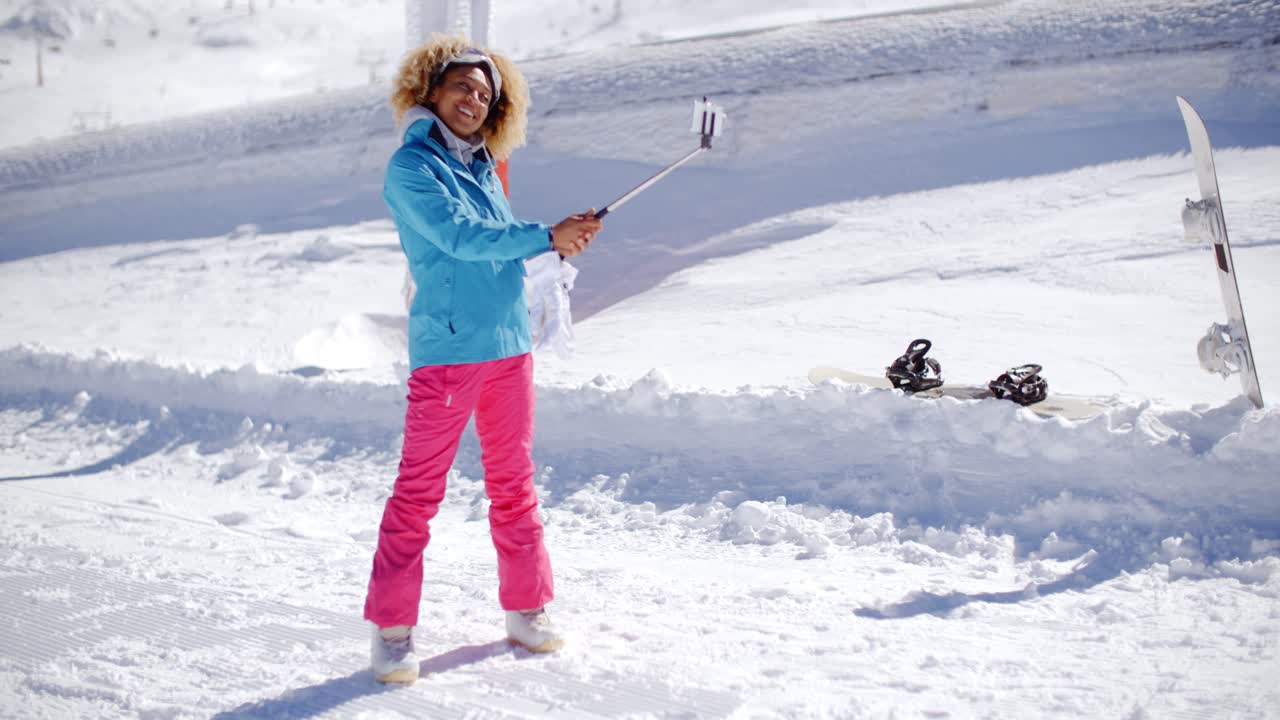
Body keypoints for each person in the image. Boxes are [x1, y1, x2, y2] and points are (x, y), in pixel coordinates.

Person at [364, 35, 602, 685]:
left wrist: (557, 243)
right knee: (418, 495)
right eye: (462, 86)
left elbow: (500, 247)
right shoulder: (411, 167)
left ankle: (527, 608)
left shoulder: (481, 167)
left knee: (514, 485)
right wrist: (540, 235)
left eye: (486, 93)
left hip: (507, 347)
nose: (474, 99)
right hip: (448, 350)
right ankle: (392, 630)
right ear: (431, 90)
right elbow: (461, 239)